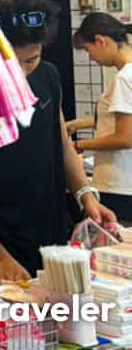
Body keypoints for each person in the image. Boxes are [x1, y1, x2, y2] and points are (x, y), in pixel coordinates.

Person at [0, 0, 118, 282]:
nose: (22, 71)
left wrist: (85, 195)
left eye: (31, 60)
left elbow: (62, 145)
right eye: (9, 62)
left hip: (49, 234)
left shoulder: (48, 76)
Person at [72, 12, 132, 222]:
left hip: (119, 184)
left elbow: (125, 137)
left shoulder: (124, 78)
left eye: (89, 50)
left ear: (100, 40)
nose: (91, 58)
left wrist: (79, 145)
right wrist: (78, 124)